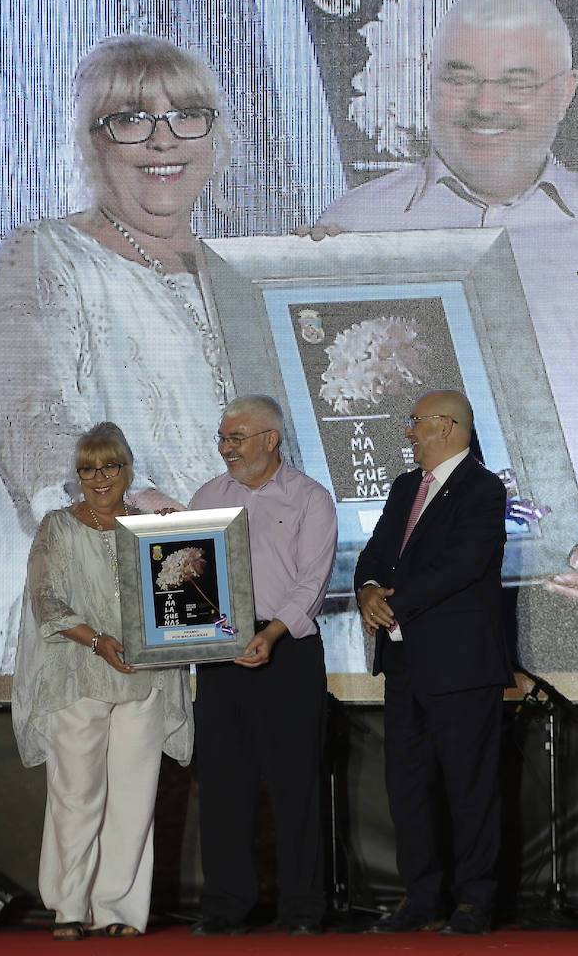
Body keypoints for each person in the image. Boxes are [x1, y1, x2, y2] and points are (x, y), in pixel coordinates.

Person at [315, 0, 578, 603]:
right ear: (430, 85)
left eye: (517, 81)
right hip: (407, 578)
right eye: (460, 78)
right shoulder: (350, 227)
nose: (484, 105)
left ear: (566, 91)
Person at [0, 35, 237, 674]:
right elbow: (26, 414)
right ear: (93, 143)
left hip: (237, 606)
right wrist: (135, 500)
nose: (163, 140)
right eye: (130, 119)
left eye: (187, 115)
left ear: (214, 137)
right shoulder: (42, 255)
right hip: (106, 605)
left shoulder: (244, 275)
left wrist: (328, 273)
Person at [11, 422, 193, 941]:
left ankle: (118, 910)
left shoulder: (152, 525)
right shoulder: (57, 527)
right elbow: (46, 601)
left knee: (135, 799)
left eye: (109, 467)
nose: (99, 478)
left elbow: (185, 588)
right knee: (75, 795)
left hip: (147, 679)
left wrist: (178, 531)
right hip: (80, 676)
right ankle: (69, 907)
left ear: (126, 470)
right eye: (88, 468)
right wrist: (97, 641)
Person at [355, 390, 512, 936]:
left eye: (415, 423)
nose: (408, 434)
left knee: (469, 787)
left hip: (462, 666)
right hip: (404, 664)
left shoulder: (484, 489)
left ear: (447, 427)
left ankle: (473, 900)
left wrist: (392, 603)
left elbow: (462, 565)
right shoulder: (404, 488)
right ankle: (421, 897)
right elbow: (375, 552)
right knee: (408, 786)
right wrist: (369, 590)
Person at [187, 395, 337, 936]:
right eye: (222, 439)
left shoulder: (310, 498)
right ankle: (225, 906)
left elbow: (312, 583)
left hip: (288, 652)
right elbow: (187, 574)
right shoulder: (207, 496)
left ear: (271, 439)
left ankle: (302, 909)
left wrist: (270, 635)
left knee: (295, 785)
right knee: (224, 786)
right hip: (220, 653)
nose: (226, 449)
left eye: (237, 438)